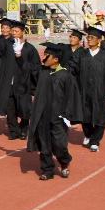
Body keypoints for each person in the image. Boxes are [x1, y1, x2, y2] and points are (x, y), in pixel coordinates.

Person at [28, 44, 80, 180]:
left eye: (47, 55)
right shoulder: (42, 72)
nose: (44, 58)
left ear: (56, 59)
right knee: (44, 144)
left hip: (58, 117)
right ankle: (47, 170)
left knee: (59, 145)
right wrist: (18, 55)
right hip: (42, 115)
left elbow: (71, 96)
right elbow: (28, 71)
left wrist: (68, 116)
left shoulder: (65, 75)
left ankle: (64, 162)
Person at [0, 19, 38, 140]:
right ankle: (13, 131)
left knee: (24, 108)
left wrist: (20, 57)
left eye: (16, 31)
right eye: (12, 30)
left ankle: (24, 129)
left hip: (23, 84)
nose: (13, 33)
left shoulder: (30, 49)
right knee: (10, 108)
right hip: (9, 83)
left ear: (23, 32)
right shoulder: (8, 46)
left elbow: (35, 67)